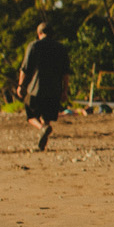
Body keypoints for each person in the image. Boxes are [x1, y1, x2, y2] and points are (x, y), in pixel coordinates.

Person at [17, 19, 70, 151]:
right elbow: (65, 73)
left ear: (39, 33)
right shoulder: (61, 48)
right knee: (47, 116)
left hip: (36, 88)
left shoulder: (34, 46)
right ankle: (44, 129)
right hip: (54, 89)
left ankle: (42, 128)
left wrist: (20, 86)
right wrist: (64, 91)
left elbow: (24, 69)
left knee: (31, 116)